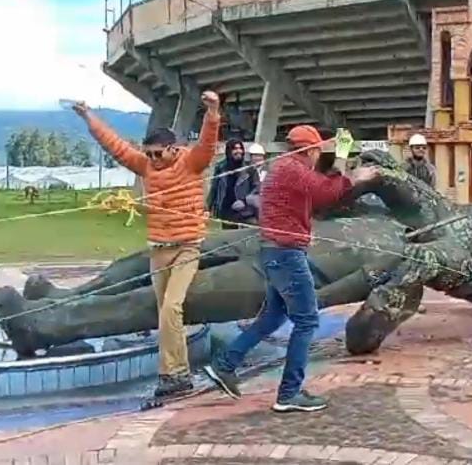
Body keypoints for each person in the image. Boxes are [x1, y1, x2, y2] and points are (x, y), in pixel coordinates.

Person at [203, 125, 378, 413]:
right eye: (317, 151)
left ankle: (225, 364)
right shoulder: (294, 170)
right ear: (311, 150)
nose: (318, 156)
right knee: (307, 321)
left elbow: (314, 195)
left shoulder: (285, 168)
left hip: (276, 252)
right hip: (286, 254)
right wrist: (350, 170)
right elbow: (329, 193)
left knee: (272, 318)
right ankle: (289, 393)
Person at [72, 90, 221, 399]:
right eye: (148, 154)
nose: (152, 160)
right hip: (158, 250)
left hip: (187, 248)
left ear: (173, 149)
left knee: (172, 308)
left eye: (157, 154)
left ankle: (175, 375)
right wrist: (89, 117)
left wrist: (212, 112)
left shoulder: (192, 162)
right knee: (164, 313)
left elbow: (208, 144)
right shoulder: (146, 166)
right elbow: (115, 146)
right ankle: (175, 372)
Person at [207, 139, 260, 229]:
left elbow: (257, 189)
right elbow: (214, 188)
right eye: (235, 149)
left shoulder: (250, 169)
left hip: (245, 211)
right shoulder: (220, 167)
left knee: (247, 234)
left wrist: (244, 201)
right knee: (229, 235)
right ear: (229, 151)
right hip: (226, 211)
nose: (238, 151)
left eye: (240, 148)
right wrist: (208, 208)